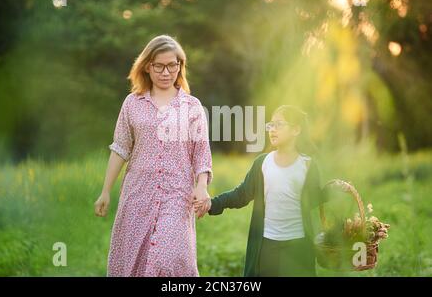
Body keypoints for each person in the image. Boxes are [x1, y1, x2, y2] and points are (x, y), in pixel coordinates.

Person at [94, 35, 213, 277]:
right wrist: (106, 190)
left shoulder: (192, 106)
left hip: (177, 196)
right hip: (138, 195)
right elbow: (121, 148)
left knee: (168, 258)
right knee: (134, 261)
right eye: (159, 65)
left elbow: (201, 152)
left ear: (180, 66)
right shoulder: (132, 103)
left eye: (172, 65)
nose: (166, 72)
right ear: (147, 66)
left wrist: (202, 186)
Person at [194, 105, 327, 276]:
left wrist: (333, 193)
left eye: (279, 125)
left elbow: (314, 200)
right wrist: (213, 203)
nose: (272, 130)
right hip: (266, 246)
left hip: (298, 247)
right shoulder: (263, 162)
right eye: (270, 125)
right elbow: (242, 194)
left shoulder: (308, 165)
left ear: (295, 130)